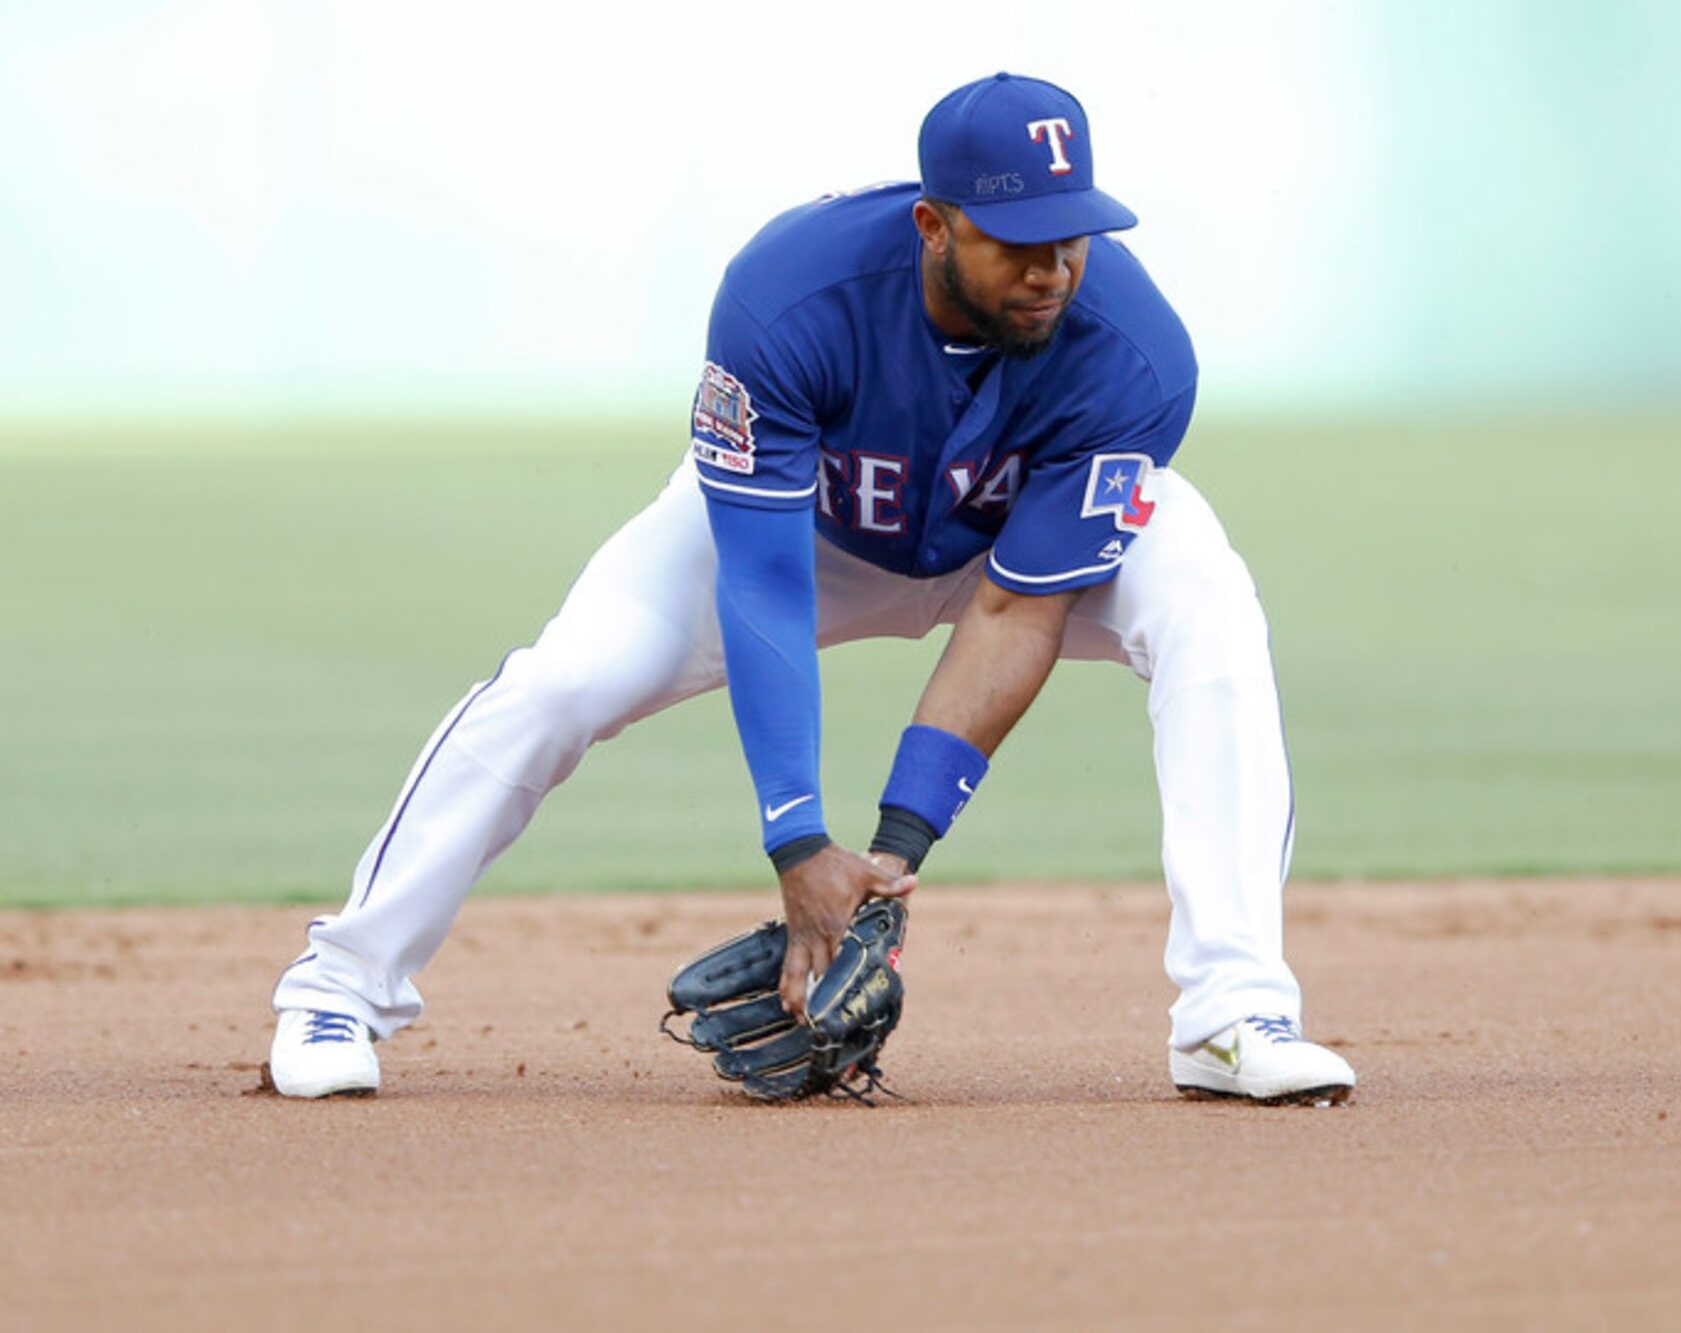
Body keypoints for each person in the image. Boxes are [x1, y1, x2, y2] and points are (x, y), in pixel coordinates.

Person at [266, 72, 1356, 1109]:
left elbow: (1015, 607)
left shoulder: (1136, 358)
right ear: (934, 226)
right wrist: (797, 839)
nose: (1052, 270)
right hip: (801, 542)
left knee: (1207, 599)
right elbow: (764, 579)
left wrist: (892, 852)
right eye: (1019, 242)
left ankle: (1234, 1014)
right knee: (560, 687)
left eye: (1073, 237)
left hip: (995, 561)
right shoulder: (792, 296)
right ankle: (337, 991)